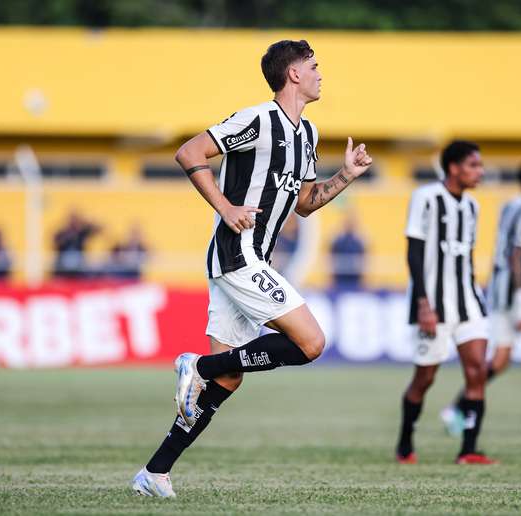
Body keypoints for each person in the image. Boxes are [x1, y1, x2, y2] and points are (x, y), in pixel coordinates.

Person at [132, 39, 374, 498]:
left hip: (248, 260)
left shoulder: (308, 135)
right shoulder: (258, 119)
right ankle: (198, 364)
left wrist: (345, 176)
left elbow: (304, 204)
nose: (322, 73)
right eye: (314, 66)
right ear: (294, 75)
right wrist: (224, 206)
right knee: (311, 343)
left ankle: (155, 472)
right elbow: (189, 153)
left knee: (228, 378)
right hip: (238, 254)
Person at [395, 140, 497, 466]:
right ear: (453, 168)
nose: (479, 172)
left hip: (468, 302)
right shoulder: (425, 198)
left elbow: (466, 256)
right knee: (425, 378)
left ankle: (468, 450)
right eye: (473, 165)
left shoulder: (472, 207)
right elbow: (414, 252)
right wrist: (423, 302)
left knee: (478, 370)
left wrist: (478, 294)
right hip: (433, 305)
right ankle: (405, 442)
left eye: (480, 166)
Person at [441, 160, 521, 437]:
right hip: (519, 290)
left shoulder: (510, 205)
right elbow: (518, 255)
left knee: (500, 360)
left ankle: (456, 408)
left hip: (499, 287)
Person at [52, 211, 101, 279]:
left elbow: (98, 230)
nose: (74, 222)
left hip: (79, 269)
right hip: (63, 269)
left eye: (76, 220)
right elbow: (56, 241)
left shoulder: (81, 233)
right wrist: (69, 235)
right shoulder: (62, 232)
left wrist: (89, 222)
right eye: (72, 220)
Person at [330, 210, 366, 289]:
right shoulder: (338, 241)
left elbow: (363, 259)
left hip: (355, 280)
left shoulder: (359, 242)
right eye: (348, 222)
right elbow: (332, 257)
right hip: (340, 280)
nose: (350, 225)